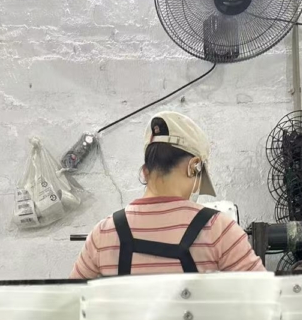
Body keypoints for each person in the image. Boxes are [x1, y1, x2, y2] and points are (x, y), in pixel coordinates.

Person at [70, 110, 265, 278]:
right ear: (194, 166)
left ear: (145, 172)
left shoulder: (103, 233)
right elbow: (265, 302)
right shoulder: (219, 230)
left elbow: (70, 307)